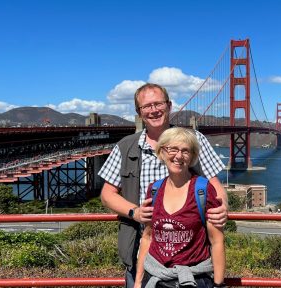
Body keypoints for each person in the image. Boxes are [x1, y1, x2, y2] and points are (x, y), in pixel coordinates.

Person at [98, 83, 228, 288]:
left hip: (191, 257)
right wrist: (135, 212)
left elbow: (215, 186)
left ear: (169, 105)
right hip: (141, 251)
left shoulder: (194, 140)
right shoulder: (125, 146)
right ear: (139, 112)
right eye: (146, 106)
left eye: (158, 103)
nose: (153, 110)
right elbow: (107, 194)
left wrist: (222, 209)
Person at [135, 127, 225, 288]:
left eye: (185, 151)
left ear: (192, 157)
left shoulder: (203, 190)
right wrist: (137, 282)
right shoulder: (154, 190)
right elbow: (148, 237)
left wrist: (218, 284)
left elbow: (216, 241)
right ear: (162, 152)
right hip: (155, 277)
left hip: (193, 279)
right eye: (172, 149)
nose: (178, 156)